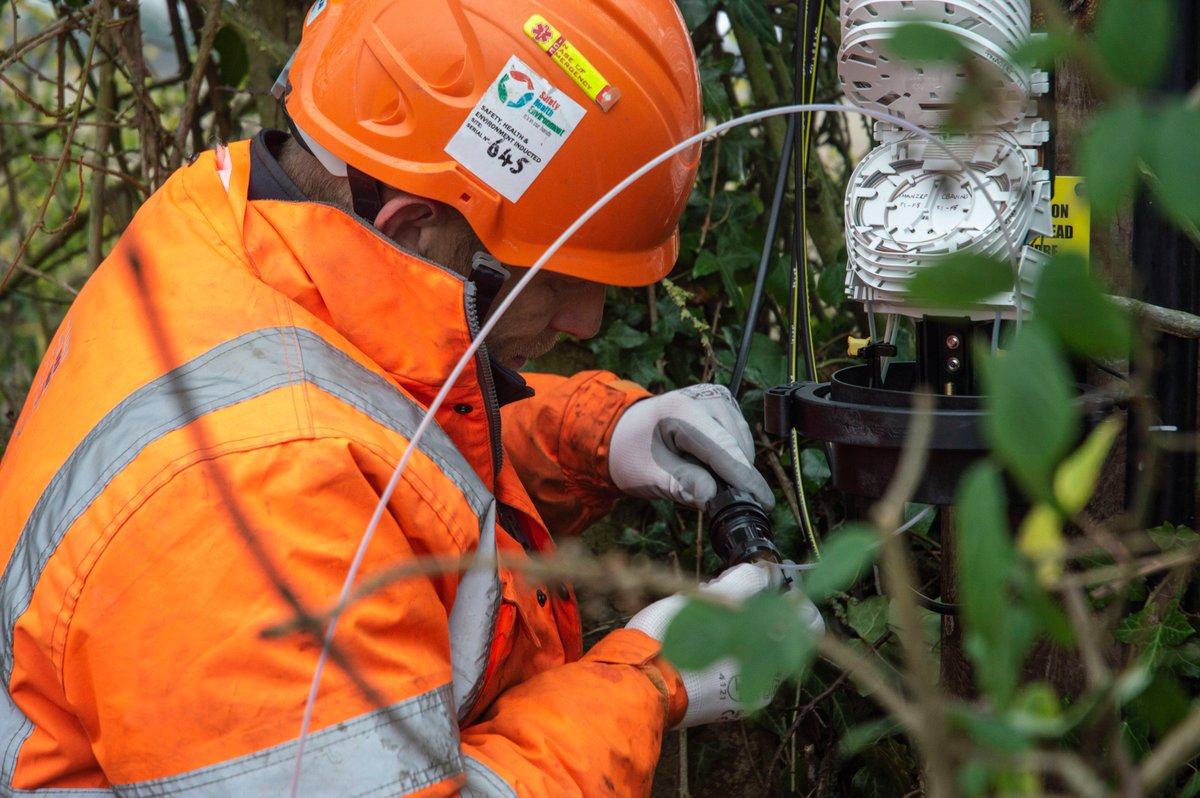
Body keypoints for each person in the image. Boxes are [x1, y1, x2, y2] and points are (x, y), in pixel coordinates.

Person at [0, 0, 817, 794]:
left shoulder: (227, 224)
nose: (588, 321)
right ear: (407, 228)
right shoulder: (250, 500)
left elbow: (364, 416)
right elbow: (303, 471)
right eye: (557, 278)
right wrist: (645, 684)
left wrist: (590, 435)